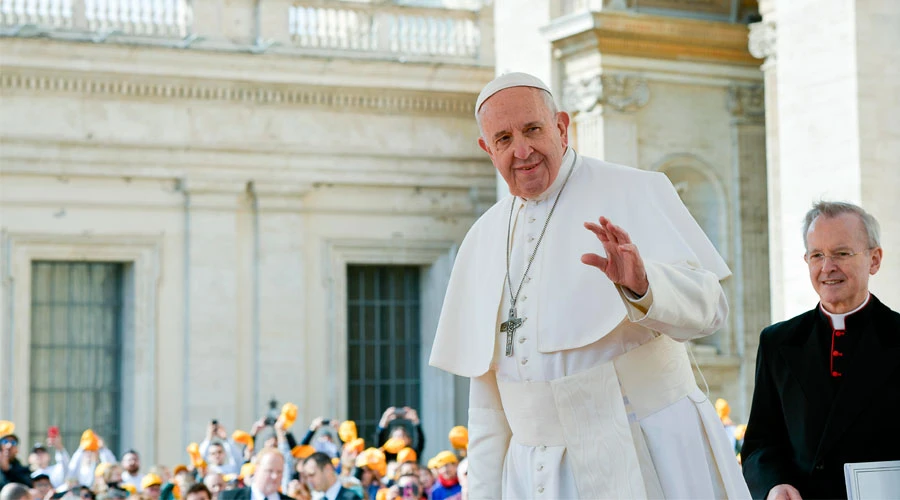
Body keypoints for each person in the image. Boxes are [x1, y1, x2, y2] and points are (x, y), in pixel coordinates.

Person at [428, 72, 750, 499]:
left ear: (562, 126)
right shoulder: (482, 239)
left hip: (648, 449)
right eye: (503, 139)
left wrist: (643, 285)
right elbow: (488, 403)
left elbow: (711, 310)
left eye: (533, 129)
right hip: (536, 477)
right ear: (488, 149)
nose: (522, 151)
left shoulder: (635, 188)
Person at [741, 201, 900, 499]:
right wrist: (774, 485)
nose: (828, 268)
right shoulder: (778, 342)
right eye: (817, 255)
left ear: (874, 260)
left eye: (841, 253)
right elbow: (760, 444)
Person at [218, 449, 290, 500]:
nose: (275, 476)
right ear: (257, 469)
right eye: (269, 471)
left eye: (279, 472)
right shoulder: (229, 497)